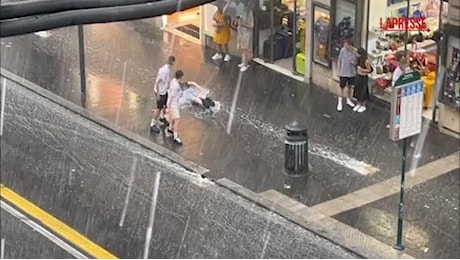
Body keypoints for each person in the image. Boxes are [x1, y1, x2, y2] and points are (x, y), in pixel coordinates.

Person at [150, 56, 175, 133]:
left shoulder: (168, 69)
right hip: (160, 92)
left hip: (164, 91)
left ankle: (162, 117)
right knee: (158, 108)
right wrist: (158, 94)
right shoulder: (164, 71)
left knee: (164, 105)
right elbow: (157, 82)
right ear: (172, 62)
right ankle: (152, 124)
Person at [337, 39, 358, 111]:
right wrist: (338, 71)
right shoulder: (342, 50)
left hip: (351, 73)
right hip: (343, 72)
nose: (344, 46)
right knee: (341, 87)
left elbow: (357, 62)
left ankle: (348, 99)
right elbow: (339, 60)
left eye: (346, 44)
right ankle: (340, 101)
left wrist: (354, 63)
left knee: (349, 86)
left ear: (350, 45)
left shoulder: (355, 51)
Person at [166, 70, 185, 145]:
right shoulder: (176, 86)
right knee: (177, 120)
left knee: (173, 118)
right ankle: (175, 137)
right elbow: (172, 96)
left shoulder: (173, 81)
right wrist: (169, 107)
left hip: (174, 104)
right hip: (174, 105)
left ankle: (170, 128)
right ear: (180, 77)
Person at [353, 47, 372, 113]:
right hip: (358, 76)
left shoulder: (366, 61)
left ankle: (363, 105)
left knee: (363, 91)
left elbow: (369, 70)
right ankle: (358, 103)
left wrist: (362, 69)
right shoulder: (358, 59)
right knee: (358, 90)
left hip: (363, 77)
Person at [236, 8, 254, 72]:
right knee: (242, 49)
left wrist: (242, 24)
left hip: (246, 34)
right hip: (240, 33)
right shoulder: (242, 13)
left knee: (245, 49)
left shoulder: (249, 14)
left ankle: (245, 65)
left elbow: (251, 26)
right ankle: (243, 62)